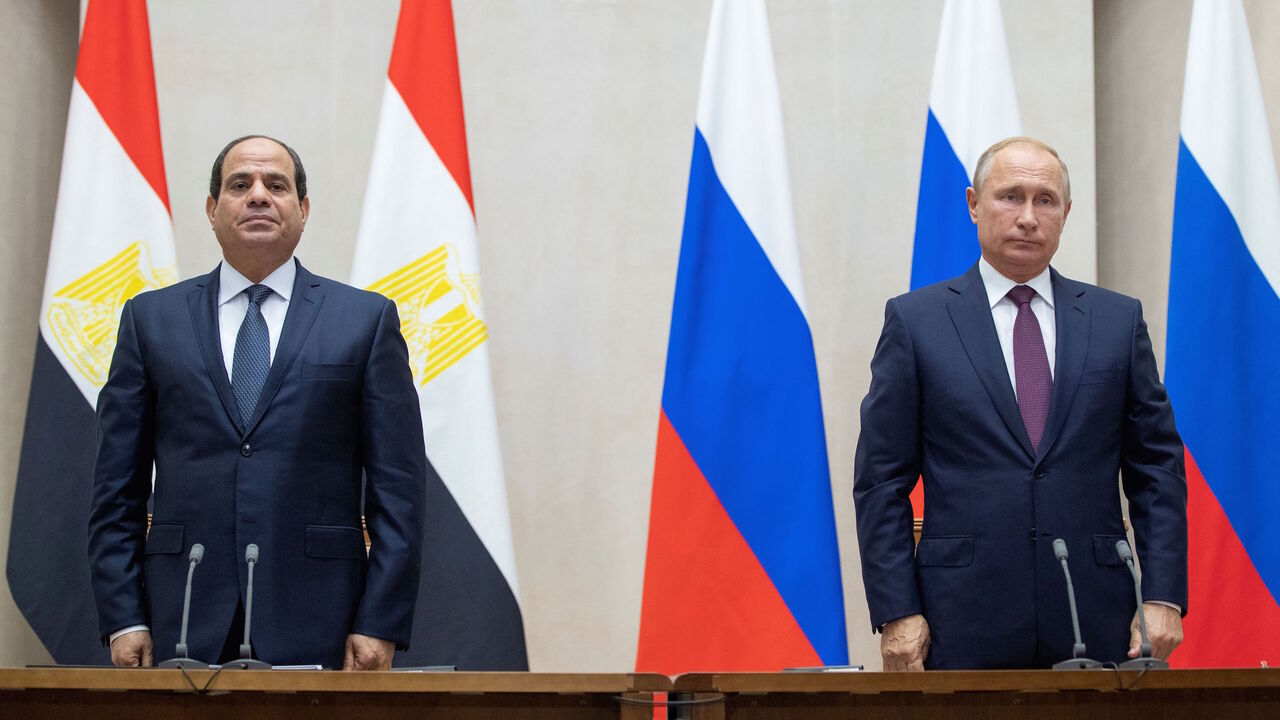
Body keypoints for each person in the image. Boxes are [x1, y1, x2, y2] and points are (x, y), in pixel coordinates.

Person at [88, 135, 430, 670]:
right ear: (211, 209)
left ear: (303, 209)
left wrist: (380, 621)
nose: (258, 196)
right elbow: (116, 488)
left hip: (323, 617)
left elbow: (399, 493)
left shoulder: (365, 321)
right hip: (180, 613)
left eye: (277, 185)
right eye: (239, 185)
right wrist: (124, 617)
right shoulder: (150, 320)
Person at [853, 137, 1187, 670]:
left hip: (1095, 617)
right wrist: (897, 610)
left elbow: (1157, 469)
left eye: (1046, 200)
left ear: (1066, 213)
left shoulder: (1116, 322)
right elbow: (880, 480)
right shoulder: (917, 323)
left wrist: (1163, 597)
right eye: (1010, 196)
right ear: (973, 205)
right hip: (958, 618)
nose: (1028, 217)